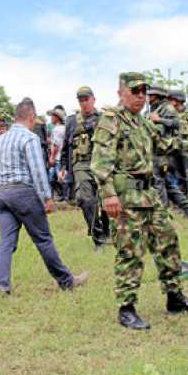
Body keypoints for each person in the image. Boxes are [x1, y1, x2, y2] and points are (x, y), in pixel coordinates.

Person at [90, 72, 188, 331]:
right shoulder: (112, 120)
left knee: (168, 241)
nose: (141, 97)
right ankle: (126, 308)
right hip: (126, 197)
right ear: (121, 92)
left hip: (149, 194)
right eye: (135, 91)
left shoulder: (141, 123)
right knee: (130, 251)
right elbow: (100, 162)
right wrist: (109, 195)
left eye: (144, 92)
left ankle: (175, 297)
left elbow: (164, 144)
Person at [0, 99, 88, 295]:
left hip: (2, 194)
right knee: (43, 239)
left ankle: (2, 286)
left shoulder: (0, 140)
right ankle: (66, 281)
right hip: (23, 193)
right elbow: (37, 169)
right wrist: (47, 197)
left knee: (6, 243)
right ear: (32, 117)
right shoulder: (29, 138)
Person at [60, 86, 110, 251]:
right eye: (81, 100)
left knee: (105, 200)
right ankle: (98, 238)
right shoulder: (72, 121)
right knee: (84, 198)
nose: (84, 103)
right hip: (81, 163)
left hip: (102, 163)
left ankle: (107, 229)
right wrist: (63, 166)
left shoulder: (104, 119)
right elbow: (66, 146)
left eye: (86, 99)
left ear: (93, 99)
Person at [148, 86, 188, 218]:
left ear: (158, 96)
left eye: (151, 95)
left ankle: (162, 214)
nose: (148, 98)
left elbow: (176, 123)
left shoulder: (167, 108)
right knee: (167, 185)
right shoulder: (156, 108)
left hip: (164, 151)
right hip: (159, 150)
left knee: (158, 182)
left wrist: (159, 120)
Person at [46, 107, 68, 202]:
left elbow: (56, 145)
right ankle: (62, 196)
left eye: (53, 116)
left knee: (57, 178)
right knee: (54, 178)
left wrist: (52, 157)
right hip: (60, 157)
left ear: (57, 117)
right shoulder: (63, 128)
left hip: (58, 157)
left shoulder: (57, 129)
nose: (51, 118)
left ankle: (64, 197)